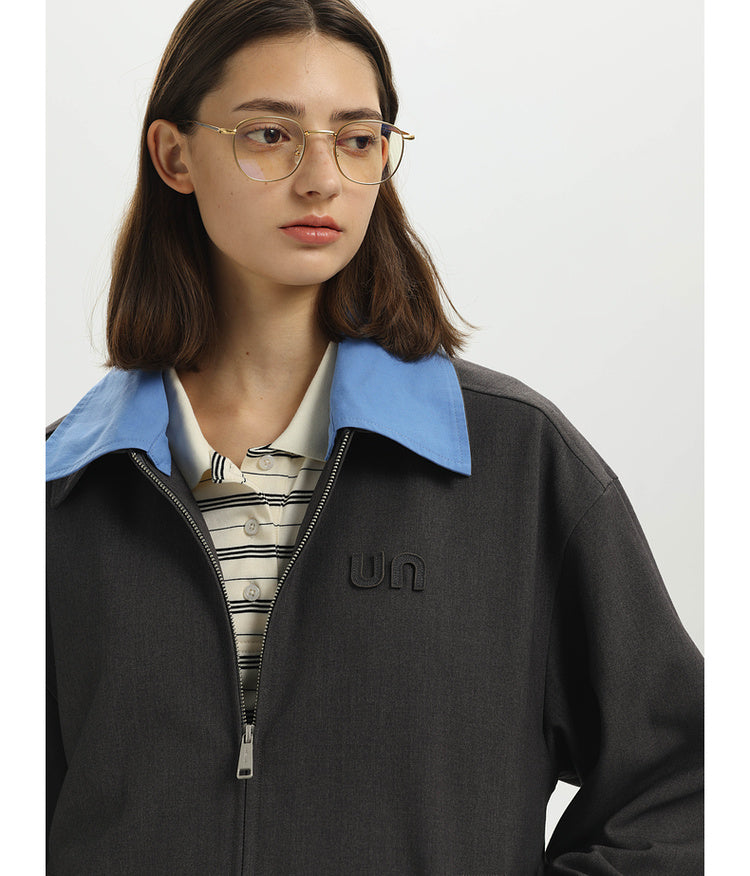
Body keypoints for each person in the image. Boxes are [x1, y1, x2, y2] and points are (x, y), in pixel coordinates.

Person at [46, 0, 703, 872]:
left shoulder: (516, 462)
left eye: (357, 140)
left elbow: (688, 784)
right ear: (174, 156)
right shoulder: (56, 493)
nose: (322, 179)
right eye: (270, 135)